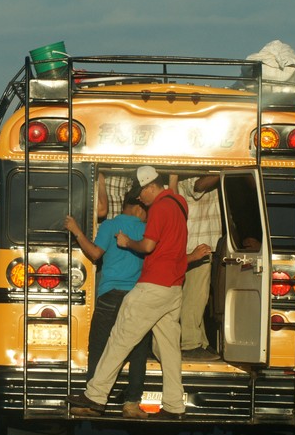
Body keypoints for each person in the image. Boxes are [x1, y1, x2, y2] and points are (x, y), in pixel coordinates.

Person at [68, 165, 189, 420]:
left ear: (150, 187)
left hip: (153, 285)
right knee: (168, 350)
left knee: (120, 339)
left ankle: (95, 395)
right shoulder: (179, 205)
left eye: (140, 194)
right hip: (174, 287)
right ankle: (174, 406)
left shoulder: (159, 207)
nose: (140, 200)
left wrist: (126, 243)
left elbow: (147, 246)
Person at [64, 191, 152, 419]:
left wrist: (76, 232)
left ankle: (93, 402)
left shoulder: (110, 226)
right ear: (138, 207)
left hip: (110, 295)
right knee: (139, 349)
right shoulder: (146, 229)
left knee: (100, 347)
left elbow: (94, 254)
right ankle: (132, 404)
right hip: (137, 296)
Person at [173, 173, 222, 360]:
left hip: (201, 247)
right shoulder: (189, 177)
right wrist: (222, 169)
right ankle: (189, 344)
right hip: (196, 247)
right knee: (194, 298)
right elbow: (198, 187)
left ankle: (200, 341)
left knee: (198, 299)